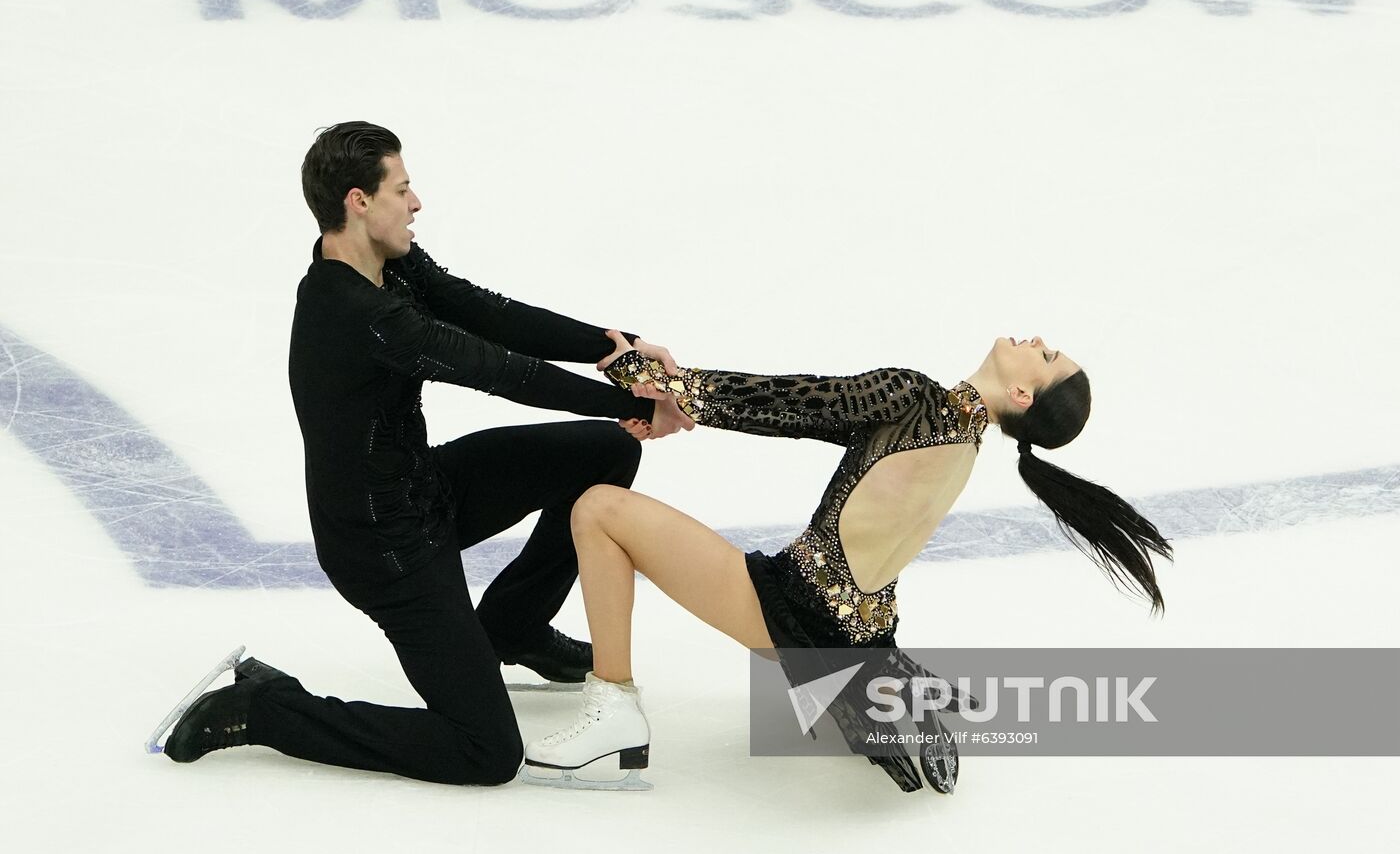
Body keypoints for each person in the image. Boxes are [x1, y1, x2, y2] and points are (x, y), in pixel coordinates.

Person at [150, 121, 690, 785]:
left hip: (428, 489)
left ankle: (513, 626)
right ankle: (266, 709)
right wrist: (636, 406)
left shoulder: (390, 265)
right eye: (401, 189)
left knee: (605, 453)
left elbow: (486, 313)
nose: (416, 203)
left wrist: (622, 350)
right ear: (358, 201)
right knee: (485, 752)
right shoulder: (351, 310)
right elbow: (498, 369)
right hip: (384, 548)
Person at [519, 331, 1172, 792]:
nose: (1035, 338)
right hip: (858, 637)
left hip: (788, 610)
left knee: (599, 509)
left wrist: (653, 379)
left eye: (1046, 353)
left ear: (1025, 394)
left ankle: (615, 707)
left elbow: (782, 403)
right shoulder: (965, 444)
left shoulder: (915, 401)